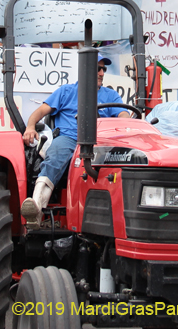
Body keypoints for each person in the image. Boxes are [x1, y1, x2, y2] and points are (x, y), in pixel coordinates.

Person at [21, 54, 129, 227]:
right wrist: (30, 127)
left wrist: (127, 121)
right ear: (86, 70)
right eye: (98, 69)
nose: (102, 73)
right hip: (70, 139)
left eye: (104, 69)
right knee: (56, 154)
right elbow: (39, 112)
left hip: (100, 141)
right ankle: (36, 207)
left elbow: (124, 115)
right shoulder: (66, 92)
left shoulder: (111, 95)